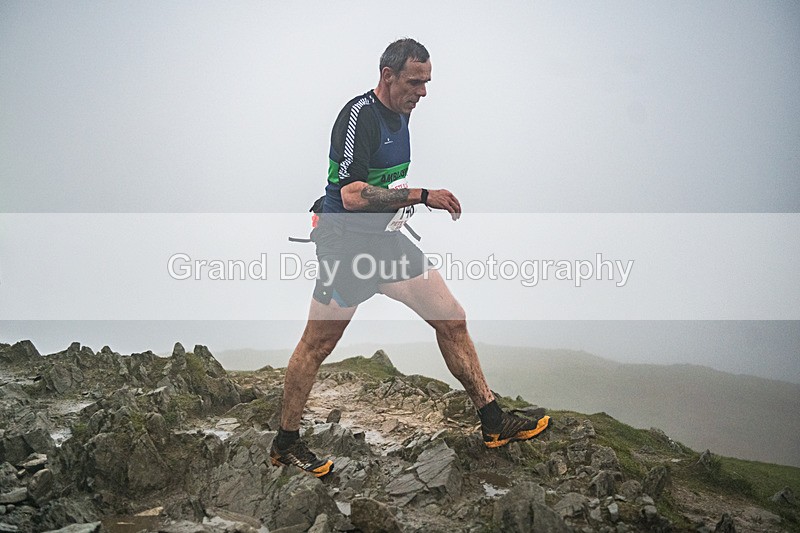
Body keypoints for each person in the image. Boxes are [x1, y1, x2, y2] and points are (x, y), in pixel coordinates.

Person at [270, 38, 550, 478]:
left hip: (386, 242)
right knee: (317, 344)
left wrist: (405, 203)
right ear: (388, 76)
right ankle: (285, 443)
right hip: (346, 245)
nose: (422, 92)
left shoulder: (402, 114)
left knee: (452, 319)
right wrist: (421, 195)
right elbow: (351, 195)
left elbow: (383, 185)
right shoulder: (358, 116)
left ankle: (493, 420)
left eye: (427, 83)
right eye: (415, 82)